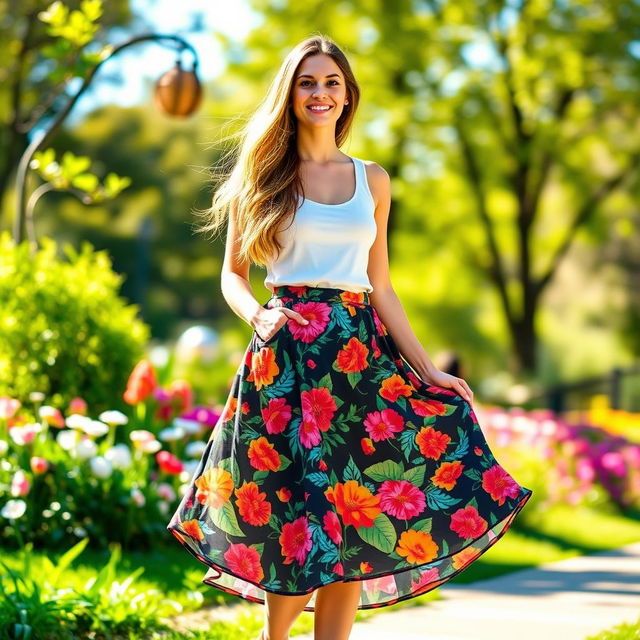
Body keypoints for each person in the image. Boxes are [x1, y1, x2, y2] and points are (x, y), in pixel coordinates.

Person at [167, 35, 533, 640]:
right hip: (286, 357)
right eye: (307, 82)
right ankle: (273, 636)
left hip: (360, 361)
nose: (319, 93)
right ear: (291, 95)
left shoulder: (373, 180)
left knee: (350, 512)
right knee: (301, 516)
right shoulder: (262, 175)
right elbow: (233, 276)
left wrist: (429, 371)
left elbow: (381, 286)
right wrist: (257, 315)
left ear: (346, 96)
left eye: (331, 82)